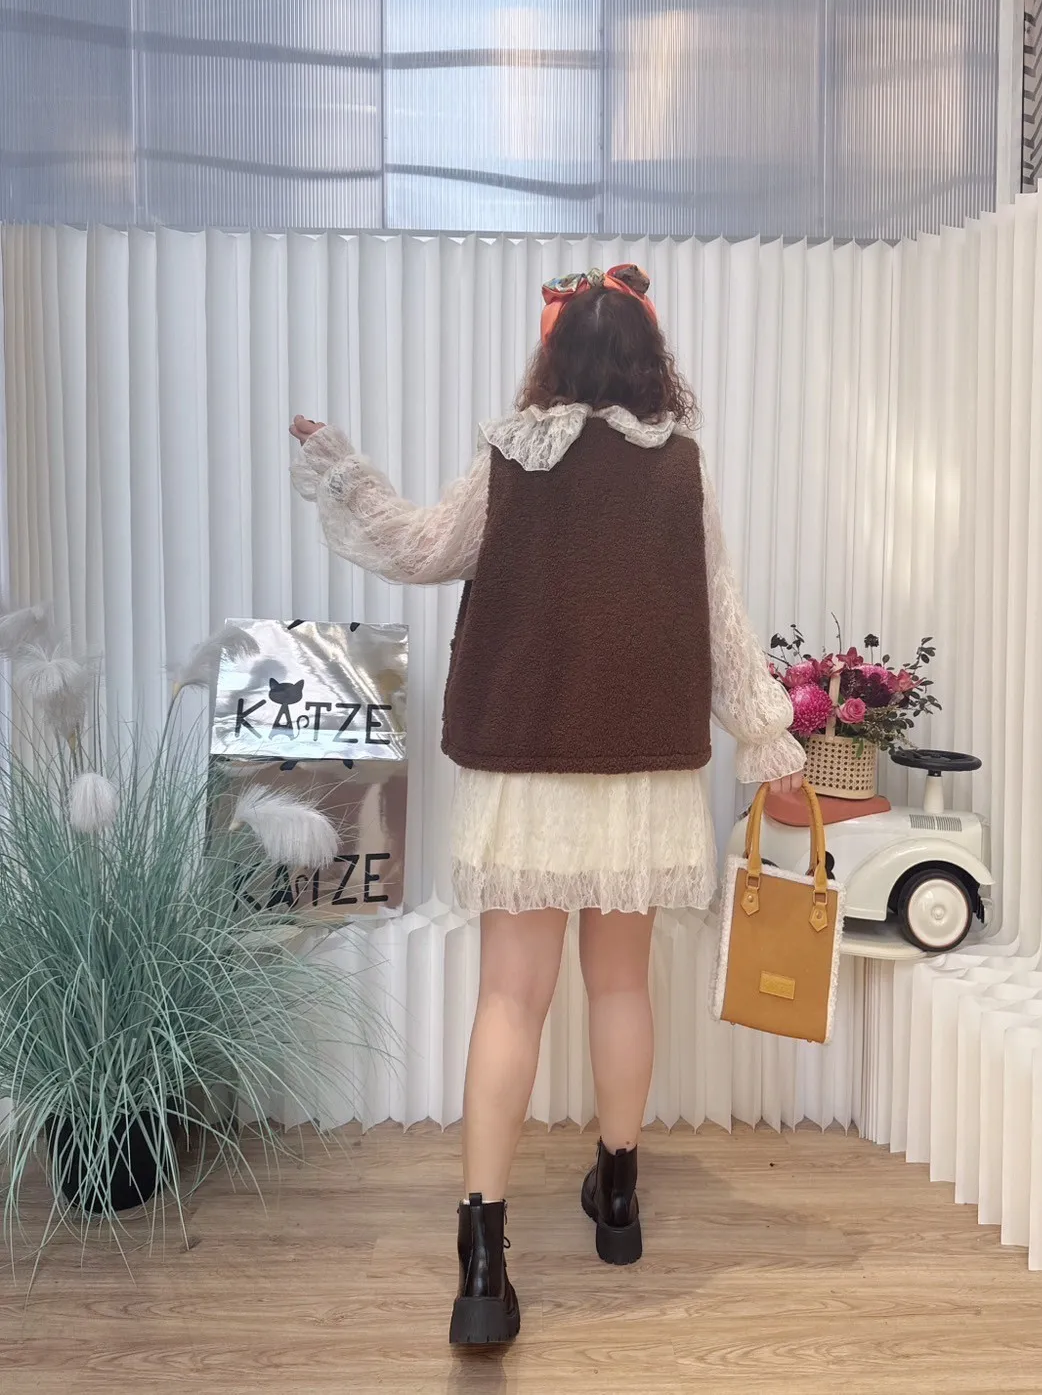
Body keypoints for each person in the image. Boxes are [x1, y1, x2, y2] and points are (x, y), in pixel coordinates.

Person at [290, 263, 805, 1347]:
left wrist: (337, 466)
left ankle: (483, 1263)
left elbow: (416, 547)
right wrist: (770, 742)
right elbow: (722, 624)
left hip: (524, 771)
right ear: (651, 360)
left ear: (553, 353)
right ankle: (617, 1201)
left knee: (508, 1001)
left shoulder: (509, 457)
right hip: (641, 773)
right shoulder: (683, 469)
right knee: (620, 985)